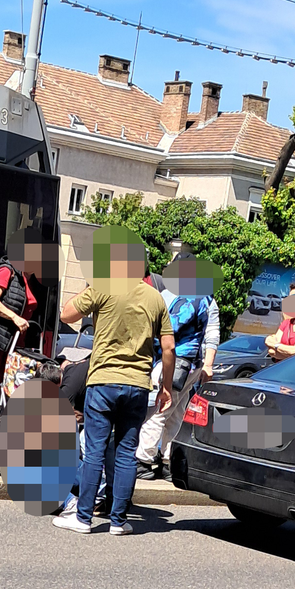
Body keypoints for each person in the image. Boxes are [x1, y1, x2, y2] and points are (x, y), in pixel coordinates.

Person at [54, 226, 174, 536]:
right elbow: (169, 347)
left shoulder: (104, 285)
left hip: (103, 381)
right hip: (138, 385)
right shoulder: (155, 298)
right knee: (125, 452)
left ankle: (82, 518)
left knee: (94, 451)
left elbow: (66, 314)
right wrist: (166, 388)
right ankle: (119, 521)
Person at [136, 256, 221, 480]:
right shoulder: (207, 299)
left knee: (159, 408)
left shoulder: (165, 294)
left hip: (170, 361)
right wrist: (208, 365)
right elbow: (212, 335)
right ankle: (167, 459)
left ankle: (143, 459)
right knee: (177, 411)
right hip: (191, 364)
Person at [0, 228, 53, 442]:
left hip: (15, 341)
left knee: (13, 383)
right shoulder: (7, 270)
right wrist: (14, 317)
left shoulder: (28, 277)